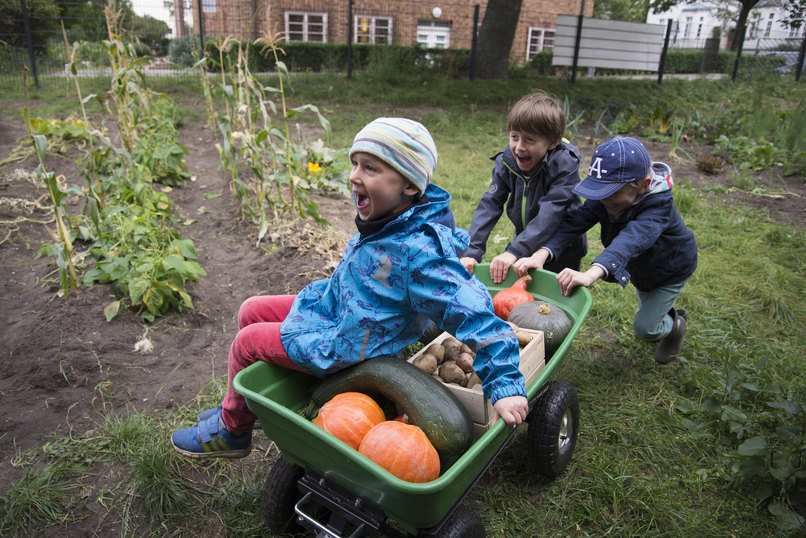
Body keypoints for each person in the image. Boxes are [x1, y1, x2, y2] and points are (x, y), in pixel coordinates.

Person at [171, 118, 529, 458]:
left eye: (371, 168)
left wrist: (505, 386)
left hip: (351, 340)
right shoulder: (388, 218)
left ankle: (232, 431)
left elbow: (475, 312)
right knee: (251, 309)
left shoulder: (417, 253)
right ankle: (248, 407)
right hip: (341, 307)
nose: (354, 176)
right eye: (354, 163)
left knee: (245, 344)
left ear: (409, 185)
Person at [513, 136, 697, 364]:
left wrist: (590, 274)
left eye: (611, 193)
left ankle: (676, 325)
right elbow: (574, 223)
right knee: (649, 307)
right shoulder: (606, 198)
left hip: (671, 269)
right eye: (598, 192)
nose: (603, 199)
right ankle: (661, 316)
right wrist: (541, 254)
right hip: (642, 268)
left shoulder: (658, 207)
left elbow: (629, 241)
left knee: (645, 328)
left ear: (644, 186)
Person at [460, 90, 587, 284]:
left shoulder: (564, 164)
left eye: (529, 140)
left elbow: (551, 212)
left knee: (555, 299)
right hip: (526, 239)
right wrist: (472, 251)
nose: (519, 147)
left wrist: (515, 251)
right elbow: (490, 204)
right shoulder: (506, 161)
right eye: (514, 136)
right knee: (523, 293)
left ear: (553, 141)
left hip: (561, 247)